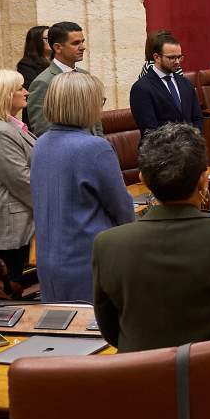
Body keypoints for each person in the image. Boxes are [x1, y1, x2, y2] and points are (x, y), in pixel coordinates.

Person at [90, 123, 210, 353]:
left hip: (140, 383)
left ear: (143, 181)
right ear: (204, 180)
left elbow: (110, 331)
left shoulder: (108, 245)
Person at [31, 72, 133, 302]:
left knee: (61, 331)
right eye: (100, 100)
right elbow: (122, 210)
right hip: (87, 261)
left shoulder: (40, 144)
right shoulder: (95, 148)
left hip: (49, 260)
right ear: (85, 105)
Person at [27, 21, 100, 137]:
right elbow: (43, 130)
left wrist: (100, 144)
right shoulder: (43, 82)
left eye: (82, 42)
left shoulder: (85, 75)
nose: (83, 47)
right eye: (76, 43)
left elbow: (95, 122)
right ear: (57, 47)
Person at [0, 70, 35, 297]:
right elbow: (21, 180)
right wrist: (51, 204)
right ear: (5, 95)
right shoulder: (1, 132)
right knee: (11, 288)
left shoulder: (12, 126)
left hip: (24, 215)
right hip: (15, 223)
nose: (26, 92)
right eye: (20, 88)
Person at [129, 33, 203, 136]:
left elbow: (197, 118)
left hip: (189, 149)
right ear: (157, 57)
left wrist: (192, 141)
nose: (177, 62)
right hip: (159, 150)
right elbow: (149, 130)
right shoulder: (141, 88)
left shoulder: (185, 83)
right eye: (172, 58)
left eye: (179, 57)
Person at [17, 26, 50, 90]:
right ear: (36, 41)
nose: (52, 41)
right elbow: (33, 89)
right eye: (47, 38)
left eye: (53, 37)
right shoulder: (26, 65)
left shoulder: (58, 59)